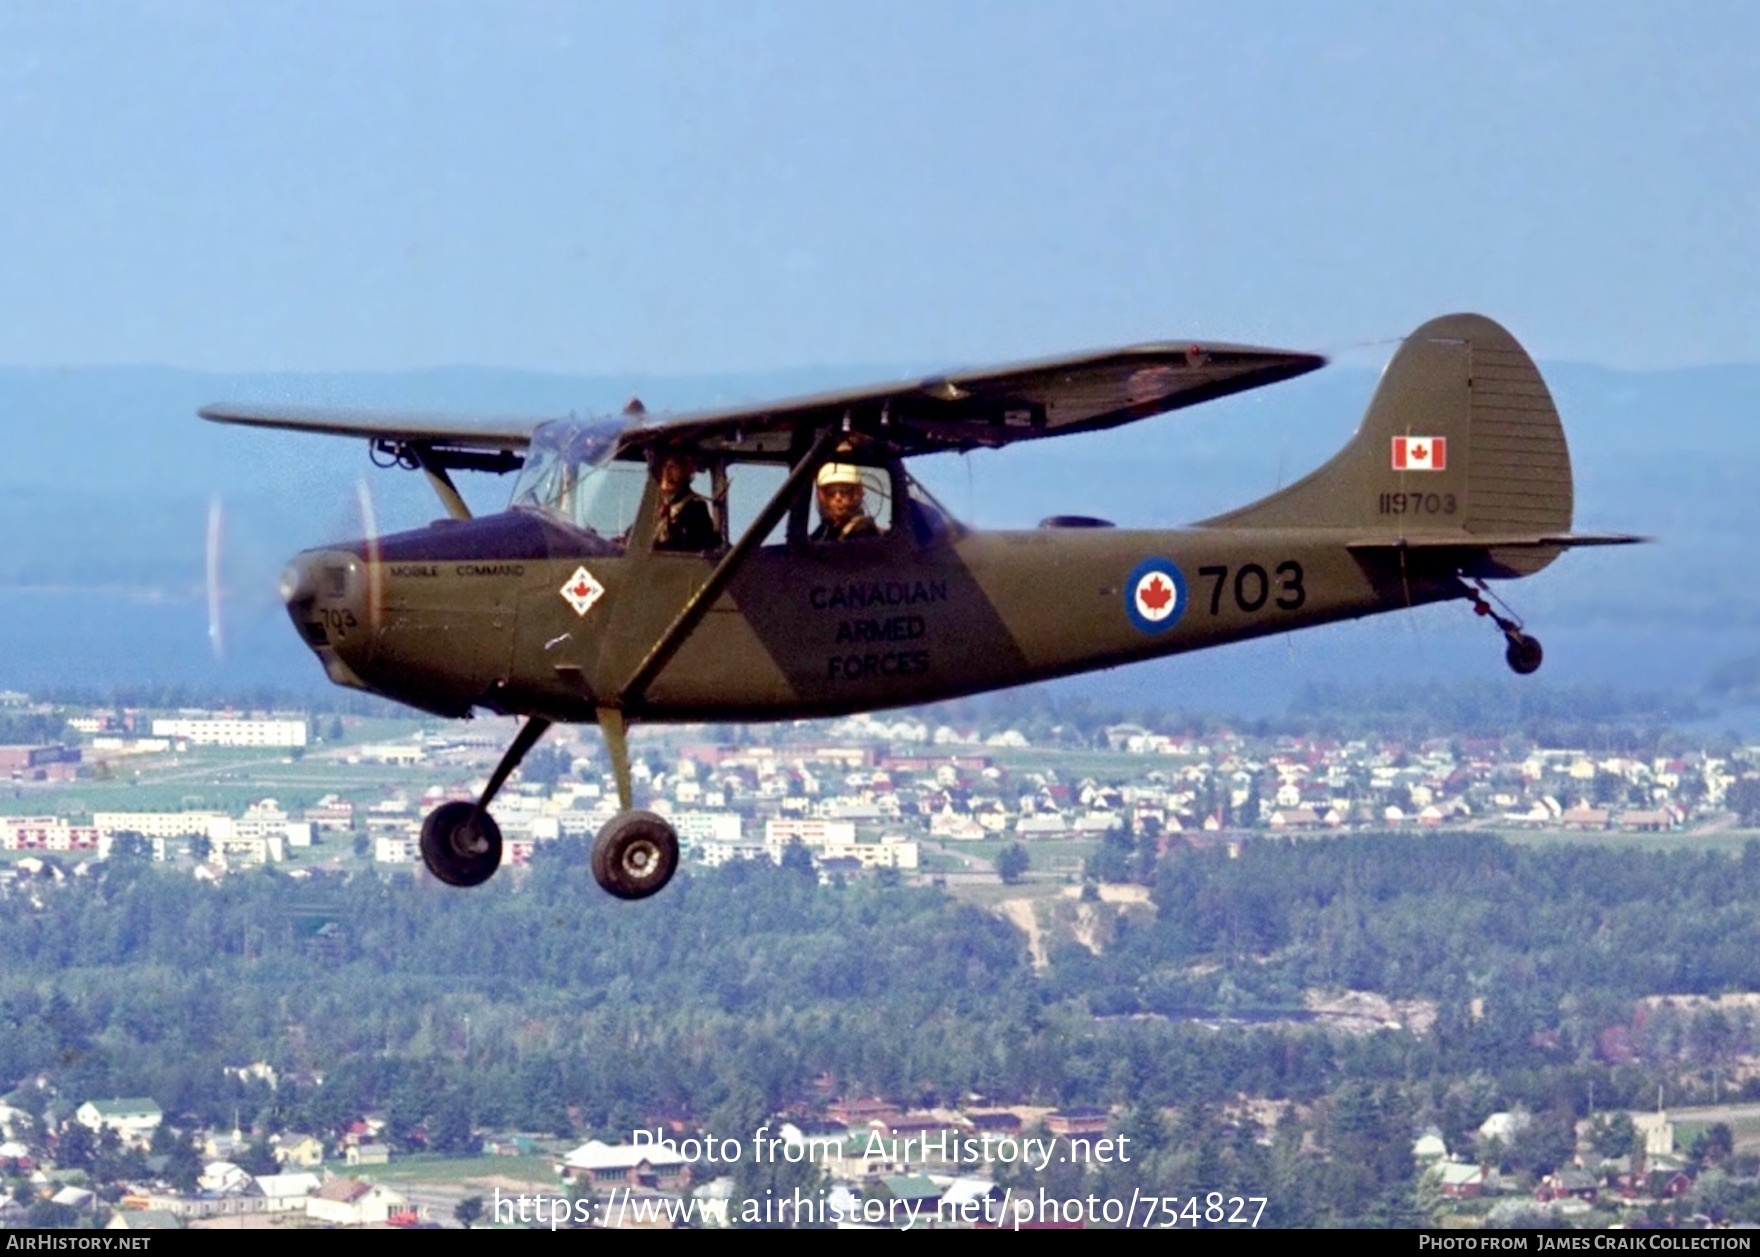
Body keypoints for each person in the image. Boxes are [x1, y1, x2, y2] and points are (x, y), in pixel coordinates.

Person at [651, 452, 719, 552]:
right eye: (664, 466)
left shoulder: (695, 507)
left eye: (672, 467)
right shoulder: (655, 505)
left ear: (686, 470)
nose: (666, 472)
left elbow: (690, 545)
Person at [811, 463, 881, 542]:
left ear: (857, 493)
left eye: (845, 490)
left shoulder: (863, 532)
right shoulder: (825, 530)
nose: (838, 497)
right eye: (830, 491)